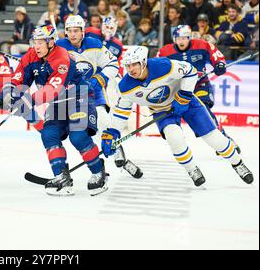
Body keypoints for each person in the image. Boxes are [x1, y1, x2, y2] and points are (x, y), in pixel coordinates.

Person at [102, 46, 254, 186]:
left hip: (186, 102)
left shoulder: (163, 65)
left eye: (134, 64)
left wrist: (184, 95)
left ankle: (237, 163)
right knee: (174, 138)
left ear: (143, 62)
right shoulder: (125, 87)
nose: (131, 69)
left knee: (214, 139)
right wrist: (112, 133)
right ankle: (191, 169)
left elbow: (190, 70)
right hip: (162, 110)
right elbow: (121, 112)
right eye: (127, 66)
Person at [3, 25, 108, 196]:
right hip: (58, 104)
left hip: (78, 98)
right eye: (34, 42)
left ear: (51, 42)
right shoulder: (31, 56)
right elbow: (19, 77)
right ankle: (61, 176)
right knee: (48, 134)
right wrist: (8, 93)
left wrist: (27, 100)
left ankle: (98, 171)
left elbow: (51, 90)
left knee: (78, 136)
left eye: (40, 42)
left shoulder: (62, 57)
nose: (36, 46)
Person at [57, 15, 143, 179]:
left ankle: (120, 157)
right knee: (76, 134)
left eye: (76, 31)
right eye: (69, 31)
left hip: (93, 93)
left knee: (104, 124)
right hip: (69, 96)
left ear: (83, 31)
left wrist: (99, 78)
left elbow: (112, 64)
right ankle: (93, 165)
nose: (72, 34)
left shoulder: (94, 44)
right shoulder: (60, 46)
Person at [157, 25, 241, 154]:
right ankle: (178, 143)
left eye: (184, 38)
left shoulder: (202, 45)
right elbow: (156, 69)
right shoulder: (165, 52)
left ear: (189, 38)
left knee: (204, 109)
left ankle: (224, 138)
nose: (181, 41)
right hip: (179, 91)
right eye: (178, 38)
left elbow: (216, 55)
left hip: (200, 85)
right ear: (174, 39)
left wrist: (219, 64)